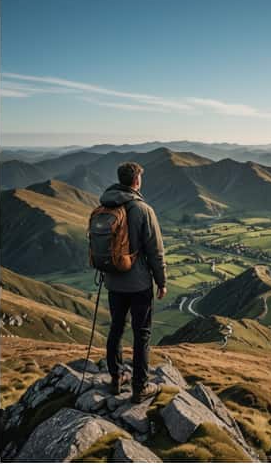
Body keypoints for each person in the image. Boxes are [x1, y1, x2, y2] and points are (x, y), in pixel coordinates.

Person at [99, 161, 167, 403]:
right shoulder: (142, 209)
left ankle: (116, 378)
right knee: (142, 334)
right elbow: (155, 251)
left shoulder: (106, 204)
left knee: (116, 328)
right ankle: (140, 387)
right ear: (136, 181)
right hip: (138, 284)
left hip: (113, 282)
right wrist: (161, 281)